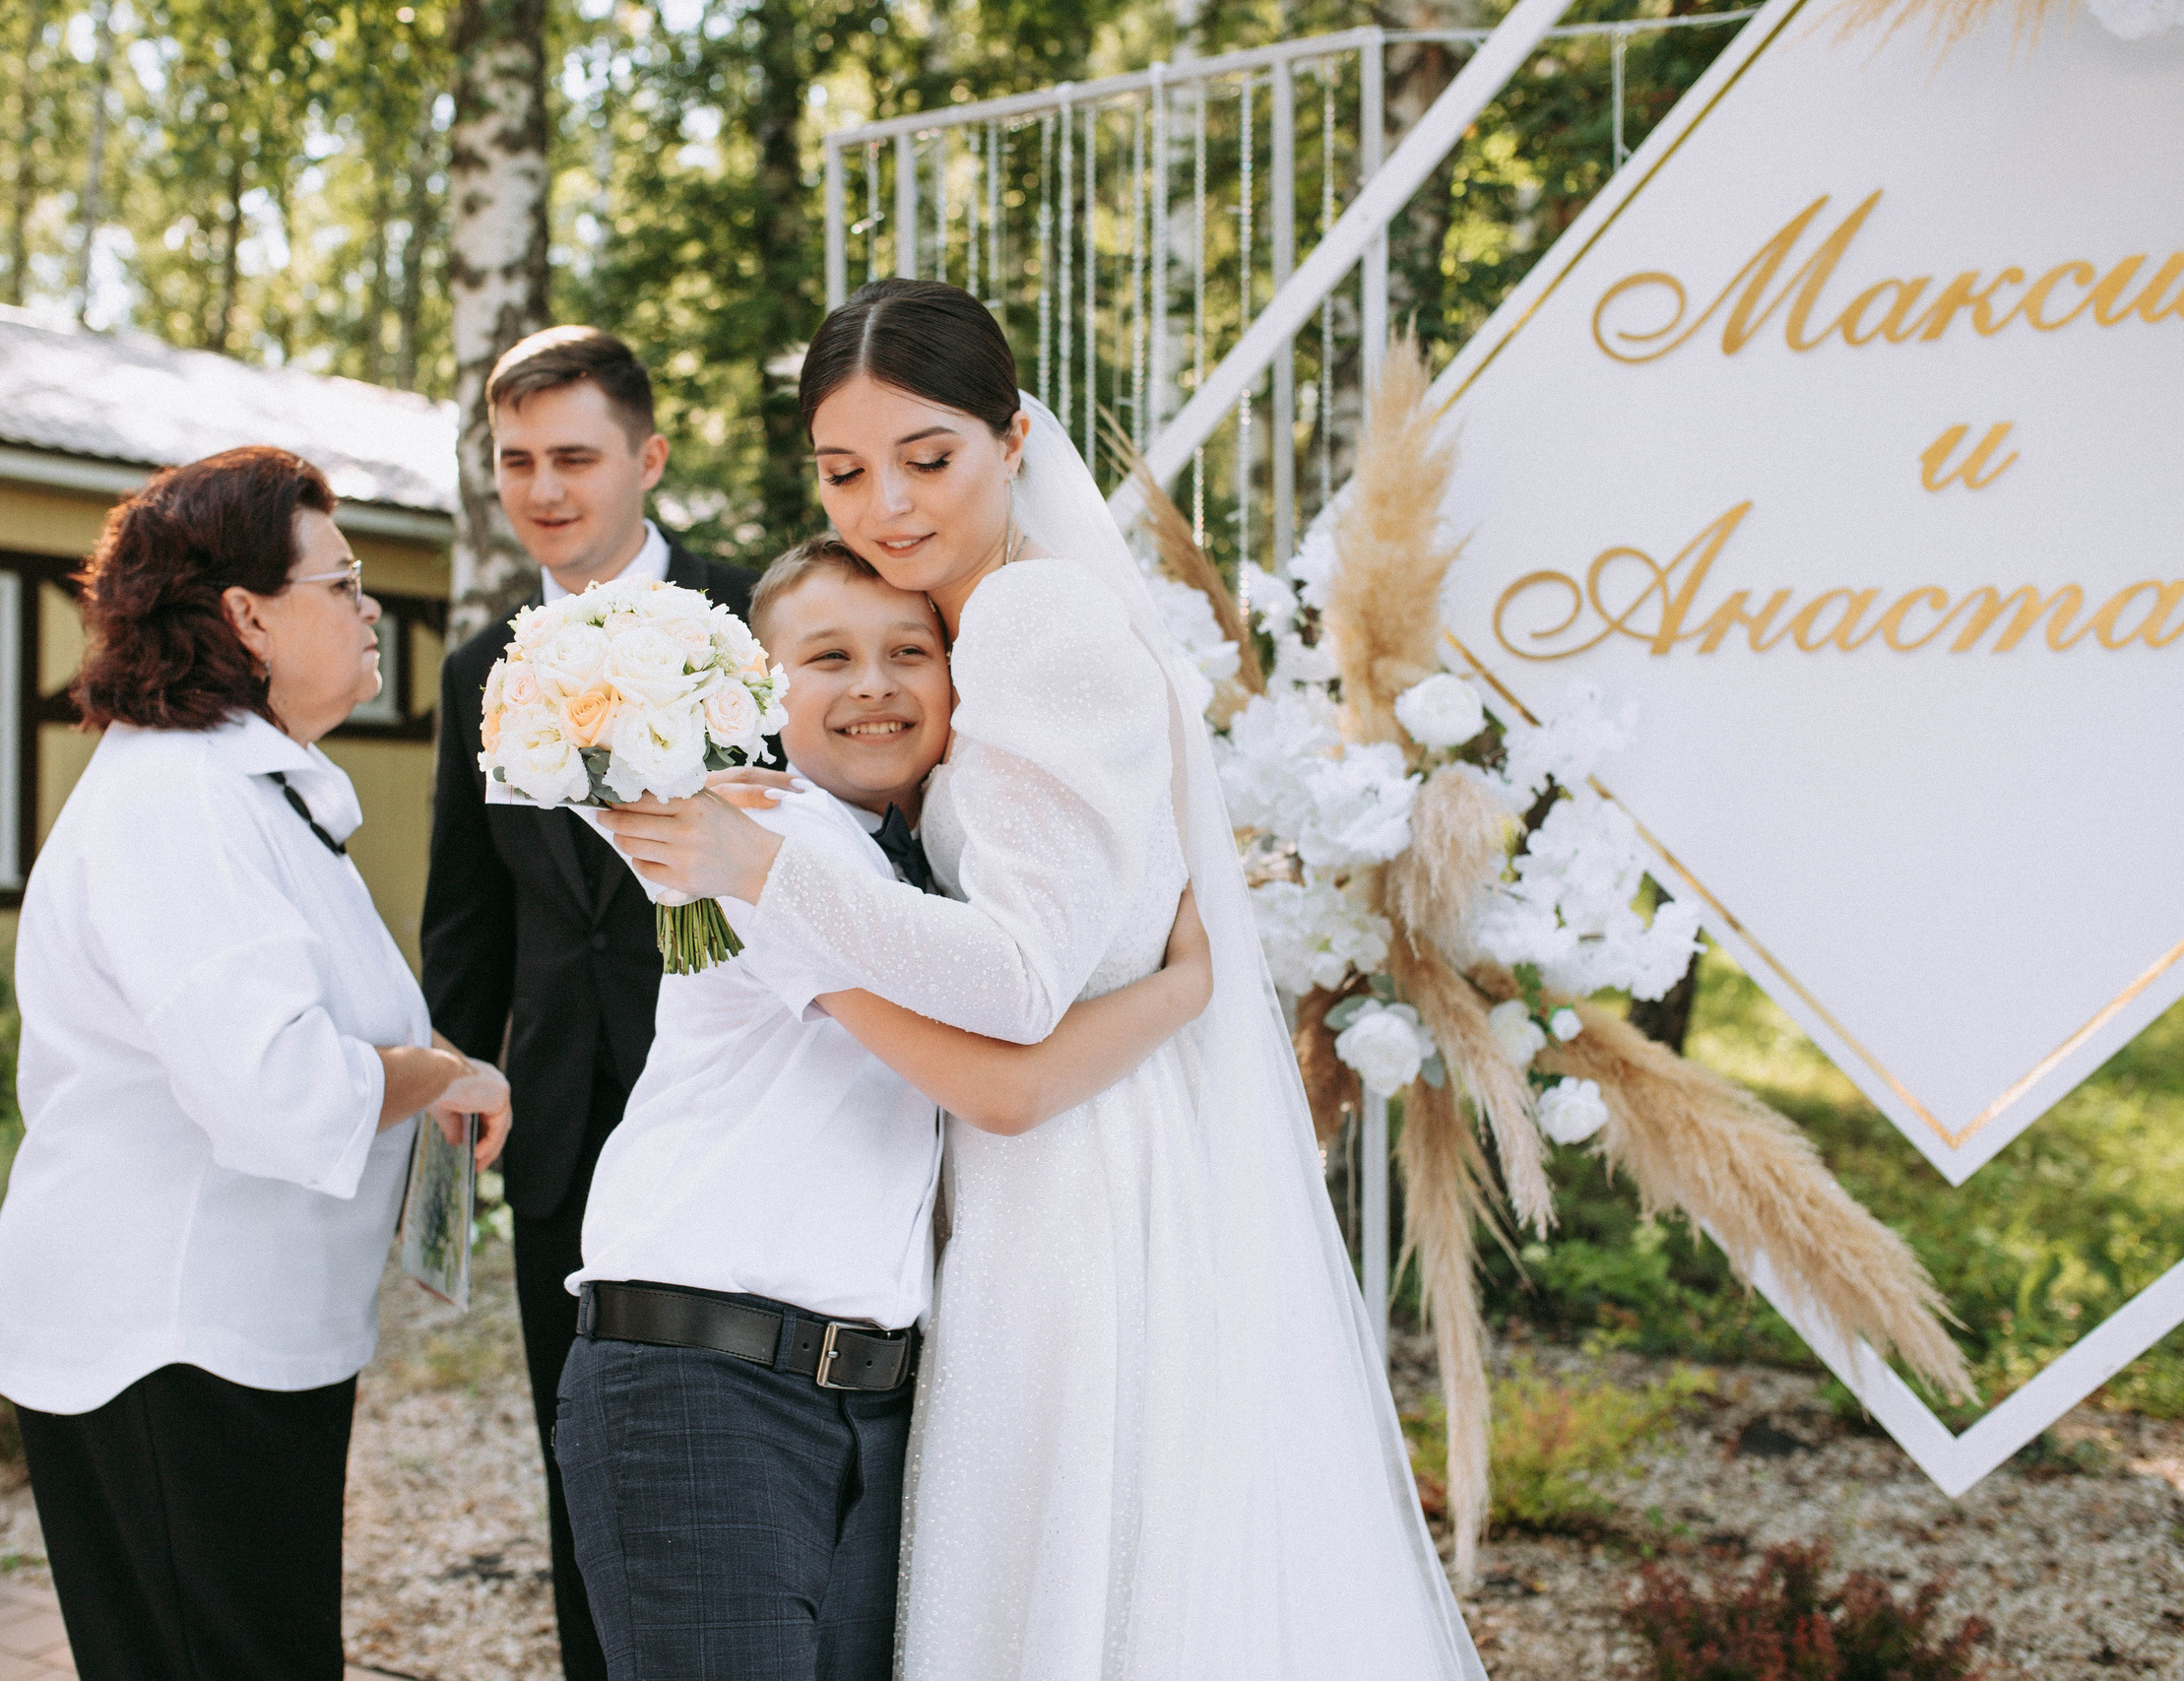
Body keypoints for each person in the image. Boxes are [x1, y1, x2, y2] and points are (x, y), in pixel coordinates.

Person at [602, 281, 1487, 1679]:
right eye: (844, 470)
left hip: (1069, 1190)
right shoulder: (966, 635)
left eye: (928, 456)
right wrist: (1178, 990)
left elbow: (1017, 978)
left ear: (1014, 439)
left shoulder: (1028, 621)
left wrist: (757, 865)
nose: (886, 502)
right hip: (1052, 1153)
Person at [554, 536, 1218, 1681]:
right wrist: (1186, 989)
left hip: (855, 1399)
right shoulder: (766, 849)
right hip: (702, 1381)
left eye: (908, 650)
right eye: (828, 656)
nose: (873, 682)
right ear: (760, 690)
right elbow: (1000, 1089)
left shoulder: (904, 872)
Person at [0, 446, 511, 1681]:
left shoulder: (253, 788)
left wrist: (427, 1061)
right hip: (171, 1339)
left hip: (234, 1335)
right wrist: (436, 1076)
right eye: (343, 582)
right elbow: (280, 1090)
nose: (370, 605)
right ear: (246, 616)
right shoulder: (181, 801)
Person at [421, 326, 758, 1681]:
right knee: (586, 1439)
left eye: (575, 456)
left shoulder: (759, 622)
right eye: (517, 461)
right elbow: (470, 907)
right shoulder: (477, 671)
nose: (545, 488)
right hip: (560, 1113)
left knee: (745, 1427)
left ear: (648, 457)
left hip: (742, 1099)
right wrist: (455, 1069)